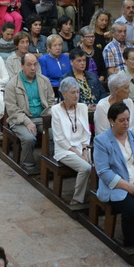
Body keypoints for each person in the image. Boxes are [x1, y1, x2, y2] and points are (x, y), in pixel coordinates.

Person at [92, 102, 134, 247]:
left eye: (127, 119)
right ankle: (131, 246)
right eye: (121, 120)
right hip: (117, 187)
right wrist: (128, 187)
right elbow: (103, 172)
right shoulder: (101, 141)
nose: (126, 123)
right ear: (111, 121)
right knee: (133, 212)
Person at [4, 53, 57, 176]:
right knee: (29, 138)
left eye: (35, 64)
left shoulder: (44, 81)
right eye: (29, 65)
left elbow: (51, 102)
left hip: (42, 116)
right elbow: (12, 110)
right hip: (20, 119)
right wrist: (27, 121)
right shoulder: (12, 84)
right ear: (22, 66)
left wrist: (49, 117)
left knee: (54, 133)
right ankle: (28, 165)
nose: (33, 68)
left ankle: (50, 162)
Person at [51, 77, 92, 205]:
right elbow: (59, 139)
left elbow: (86, 133)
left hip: (82, 147)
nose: (76, 95)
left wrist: (85, 150)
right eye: (73, 92)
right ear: (64, 94)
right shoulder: (56, 110)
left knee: (100, 162)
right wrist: (78, 154)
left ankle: (96, 197)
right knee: (85, 167)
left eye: (78, 92)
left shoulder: (82, 107)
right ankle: (77, 198)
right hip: (65, 150)